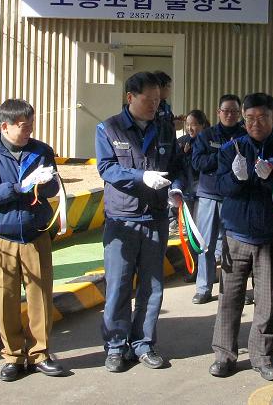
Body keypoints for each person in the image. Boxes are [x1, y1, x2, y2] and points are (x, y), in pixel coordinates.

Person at [0, 99, 69, 381]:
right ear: (5, 126)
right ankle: (13, 355)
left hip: (36, 234)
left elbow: (53, 187)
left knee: (40, 296)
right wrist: (19, 187)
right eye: (24, 127)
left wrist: (45, 182)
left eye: (31, 125)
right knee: (6, 298)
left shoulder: (41, 151)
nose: (29, 132)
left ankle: (41, 353)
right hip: (2, 237)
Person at [96, 71, 185, 372]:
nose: (154, 106)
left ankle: (144, 344)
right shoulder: (109, 128)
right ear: (130, 97)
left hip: (155, 216)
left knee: (152, 285)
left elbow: (176, 165)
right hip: (122, 219)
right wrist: (140, 176)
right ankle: (116, 346)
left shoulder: (165, 128)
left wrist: (177, 188)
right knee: (119, 285)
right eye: (148, 100)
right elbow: (107, 168)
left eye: (158, 100)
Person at [208, 93, 273, 382]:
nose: (255, 123)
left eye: (262, 118)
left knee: (266, 300)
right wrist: (236, 178)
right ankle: (224, 355)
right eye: (250, 118)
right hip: (236, 234)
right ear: (243, 118)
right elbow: (221, 187)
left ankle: (262, 357)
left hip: (271, 236)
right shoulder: (231, 149)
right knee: (229, 297)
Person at [190, 94, 246, 304]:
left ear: (239, 114)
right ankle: (203, 287)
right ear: (218, 112)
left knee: (235, 246)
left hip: (235, 196)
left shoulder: (245, 136)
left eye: (234, 111)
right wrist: (224, 154)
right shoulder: (206, 135)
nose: (230, 115)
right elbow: (198, 162)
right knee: (206, 243)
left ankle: (233, 289)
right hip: (209, 196)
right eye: (226, 111)